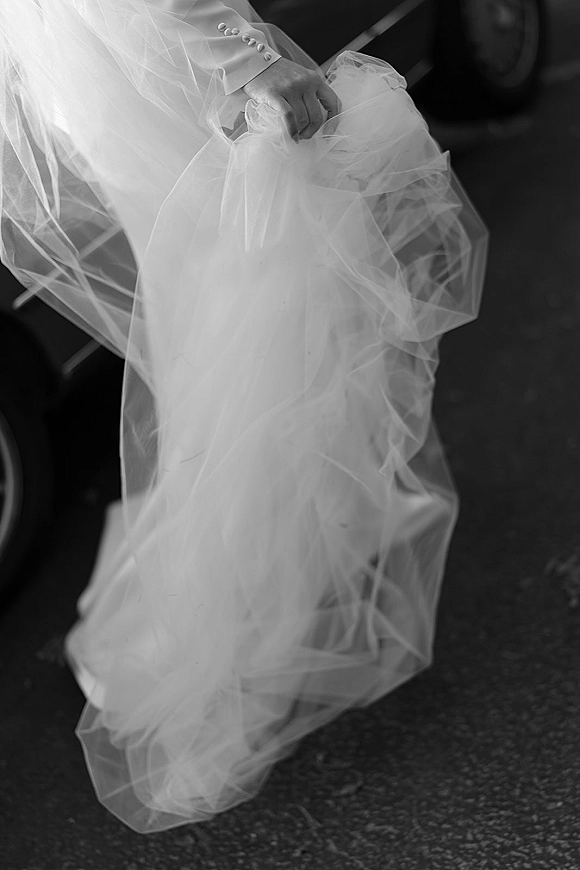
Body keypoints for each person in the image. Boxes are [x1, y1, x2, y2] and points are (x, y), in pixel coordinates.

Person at [0, 0, 487, 833]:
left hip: (97, 59)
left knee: (222, 321)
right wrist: (242, 60)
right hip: (163, 56)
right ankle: (246, 600)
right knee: (259, 315)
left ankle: (268, 556)